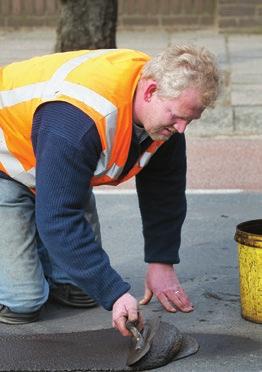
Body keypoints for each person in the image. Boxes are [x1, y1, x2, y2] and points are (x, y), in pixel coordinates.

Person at [0, 45, 220, 335]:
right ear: (150, 91)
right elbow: (58, 218)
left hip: (54, 165)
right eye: (178, 116)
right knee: (24, 303)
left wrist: (161, 261)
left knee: (81, 290)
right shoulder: (77, 121)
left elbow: (165, 192)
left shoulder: (165, 112)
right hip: (7, 168)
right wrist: (115, 293)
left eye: (190, 120)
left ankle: (39, 243)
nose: (181, 129)